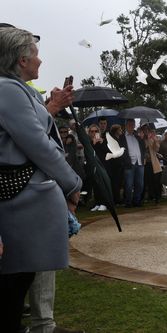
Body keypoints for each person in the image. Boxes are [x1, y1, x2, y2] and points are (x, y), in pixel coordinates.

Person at [0, 26, 82, 332]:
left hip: (26, 205)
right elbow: (38, 144)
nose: (40, 60)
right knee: (11, 290)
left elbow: (39, 124)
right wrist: (73, 182)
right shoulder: (7, 89)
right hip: (20, 205)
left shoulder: (17, 88)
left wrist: (55, 105)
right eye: (35, 54)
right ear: (22, 59)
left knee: (17, 285)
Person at [120, 119, 145, 207]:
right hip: (129, 163)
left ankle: (137, 200)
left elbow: (143, 149)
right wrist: (125, 161)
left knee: (140, 184)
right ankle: (128, 202)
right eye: (129, 125)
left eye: (133, 125)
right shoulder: (122, 137)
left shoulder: (137, 137)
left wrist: (142, 139)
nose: (131, 126)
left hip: (139, 163)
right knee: (128, 185)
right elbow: (121, 151)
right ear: (126, 126)